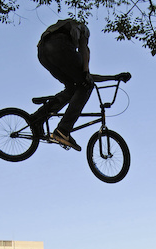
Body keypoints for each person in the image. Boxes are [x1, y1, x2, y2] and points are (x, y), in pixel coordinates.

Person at [30, 18, 93, 152]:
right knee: (85, 86)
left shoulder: (63, 26)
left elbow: (85, 76)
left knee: (72, 88)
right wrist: (86, 71)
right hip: (60, 46)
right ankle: (63, 130)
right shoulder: (83, 29)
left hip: (42, 52)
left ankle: (38, 118)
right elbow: (84, 49)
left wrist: (85, 77)